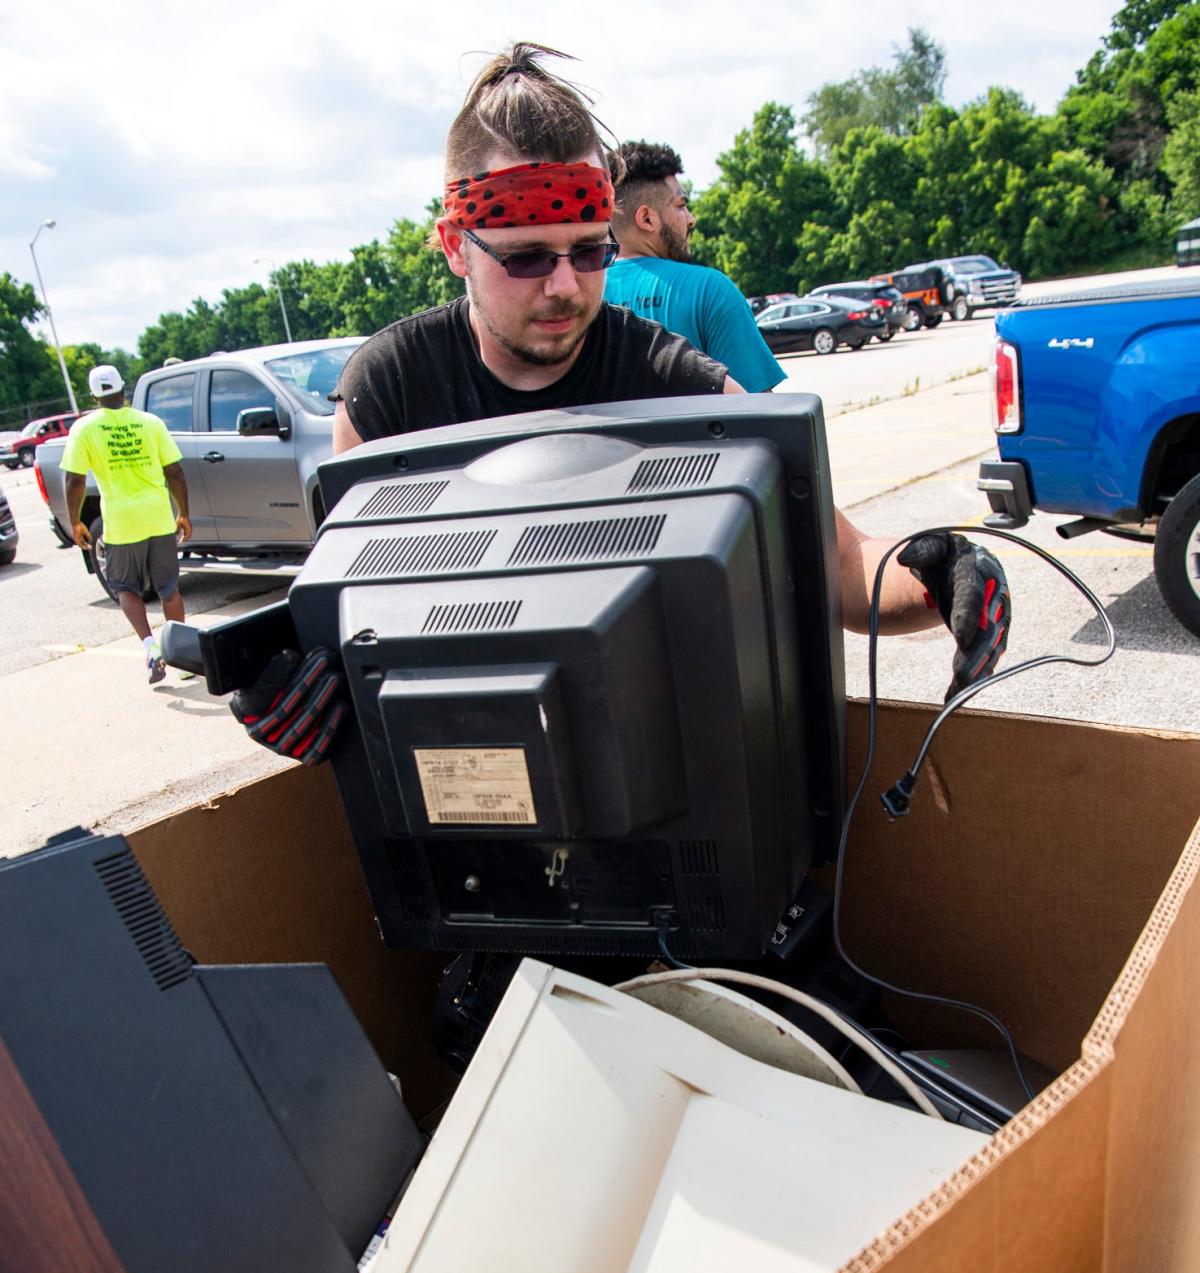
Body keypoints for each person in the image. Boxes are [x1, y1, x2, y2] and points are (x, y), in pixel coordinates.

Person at [243, 43, 1007, 761]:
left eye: (588, 251)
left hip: (660, 773)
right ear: (454, 245)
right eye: (527, 257)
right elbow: (356, 613)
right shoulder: (390, 388)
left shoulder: (671, 379)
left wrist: (939, 576)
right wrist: (293, 694)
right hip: (471, 779)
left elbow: (837, 562)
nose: (565, 285)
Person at [604, 141, 786, 395]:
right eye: (680, 206)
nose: (691, 219)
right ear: (647, 218)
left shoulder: (578, 295)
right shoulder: (710, 291)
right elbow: (759, 414)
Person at [62, 364, 192, 685]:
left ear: (93, 396)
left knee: (124, 587)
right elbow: (174, 472)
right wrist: (183, 513)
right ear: (124, 389)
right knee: (169, 588)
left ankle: (151, 648)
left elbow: (74, 480)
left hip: (121, 523)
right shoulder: (150, 422)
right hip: (158, 517)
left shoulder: (84, 429)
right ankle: (184, 658)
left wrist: (75, 520)